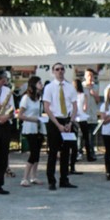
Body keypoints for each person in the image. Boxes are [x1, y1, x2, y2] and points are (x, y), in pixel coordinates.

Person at [42, 63, 78, 191]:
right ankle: (51, 180)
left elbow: (75, 106)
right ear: (53, 72)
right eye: (57, 69)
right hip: (54, 120)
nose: (60, 71)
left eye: (62, 69)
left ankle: (64, 179)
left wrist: (70, 122)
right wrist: (58, 125)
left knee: (66, 152)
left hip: (66, 119)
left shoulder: (70, 87)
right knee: (53, 152)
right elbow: (47, 107)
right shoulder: (49, 87)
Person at [18, 76, 45, 187]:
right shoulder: (26, 98)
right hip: (30, 127)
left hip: (39, 127)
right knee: (33, 153)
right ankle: (24, 177)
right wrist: (32, 119)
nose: (41, 85)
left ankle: (34, 176)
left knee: (37, 152)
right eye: (39, 83)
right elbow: (20, 115)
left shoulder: (39, 98)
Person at [80, 69, 99, 162]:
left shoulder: (95, 86)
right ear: (85, 76)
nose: (90, 77)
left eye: (92, 75)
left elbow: (98, 100)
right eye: (88, 75)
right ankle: (80, 152)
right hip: (84, 115)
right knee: (81, 135)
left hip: (93, 114)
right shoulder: (81, 86)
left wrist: (94, 94)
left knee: (92, 135)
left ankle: (91, 152)